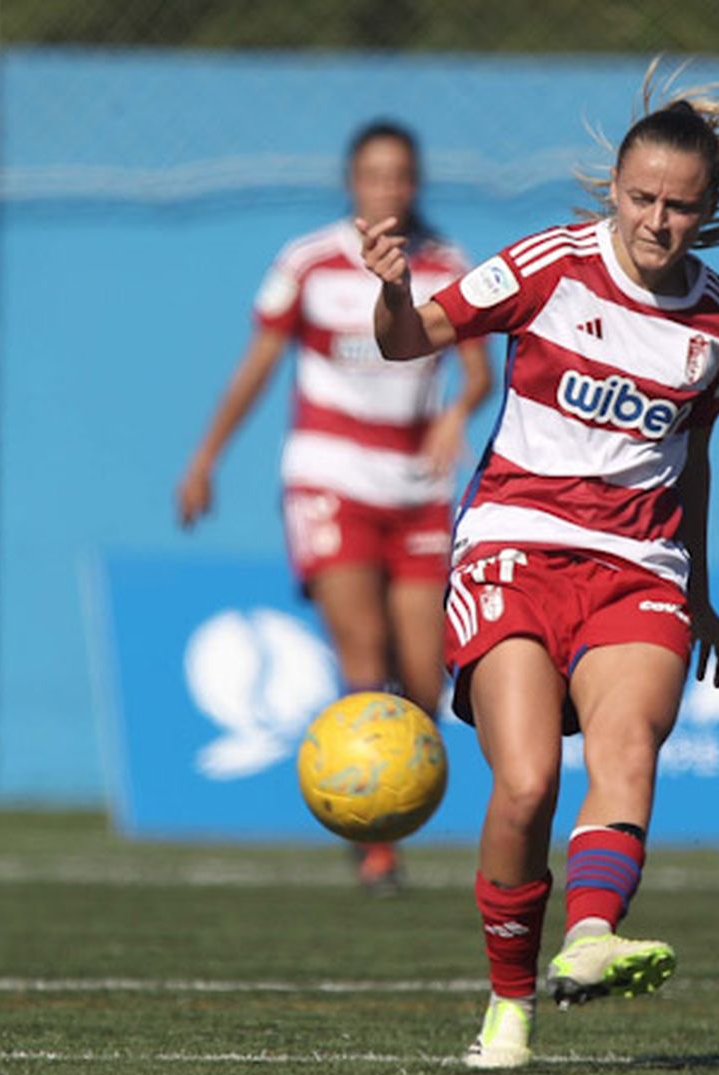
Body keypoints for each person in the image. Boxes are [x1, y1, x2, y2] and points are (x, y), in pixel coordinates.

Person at [359, 73, 719, 1068]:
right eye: (641, 197)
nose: (658, 220)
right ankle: (507, 1007)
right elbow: (403, 342)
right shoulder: (548, 266)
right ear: (614, 187)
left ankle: (593, 935)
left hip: (638, 564)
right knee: (525, 785)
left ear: (709, 207)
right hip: (514, 545)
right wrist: (391, 287)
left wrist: (698, 586)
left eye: (681, 204)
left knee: (628, 746)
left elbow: (693, 460)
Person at [177, 120, 492, 894]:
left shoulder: (447, 266)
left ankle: (385, 809)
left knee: (422, 679)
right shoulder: (307, 263)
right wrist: (207, 456)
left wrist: (458, 411)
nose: (388, 188)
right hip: (330, 477)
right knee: (363, 656)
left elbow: (480, 371)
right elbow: (257, 364)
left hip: (416, 490)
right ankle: (374, 845)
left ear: (416, 184)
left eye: (401, 176)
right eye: (374, 175)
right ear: (352, 182)